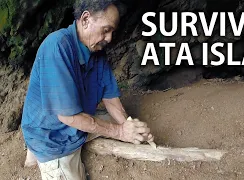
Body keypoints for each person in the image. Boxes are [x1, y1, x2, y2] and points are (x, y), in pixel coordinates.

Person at [21, 0, 154, 179]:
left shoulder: (96, 51)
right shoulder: (57, 47)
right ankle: (36, 152)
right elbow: (68, 116)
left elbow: (111, 98)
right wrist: (120, 132)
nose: (110, 38)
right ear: (85, 19)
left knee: (115, 121)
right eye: (106, 30)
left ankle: (35, 152)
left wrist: (129, 126)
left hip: (75, 116)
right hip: (51, 136)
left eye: (112, 31)